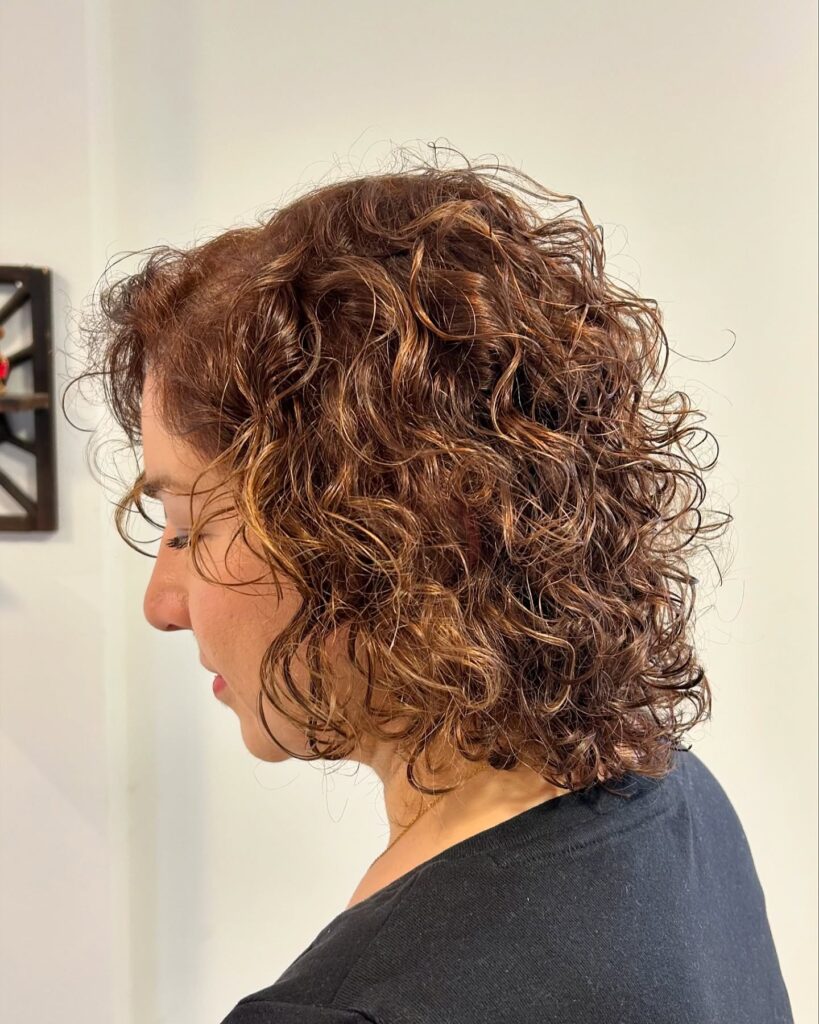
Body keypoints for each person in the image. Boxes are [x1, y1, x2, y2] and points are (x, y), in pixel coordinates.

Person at [71, 150, 794, 1022]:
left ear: (393, 531)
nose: (161, 603)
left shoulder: (366, 1008)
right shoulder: (673, 803)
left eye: (192, 525)